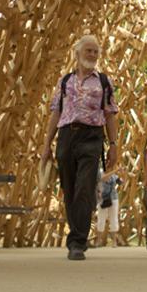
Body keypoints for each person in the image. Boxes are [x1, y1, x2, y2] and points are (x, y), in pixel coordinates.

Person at [41, 35, 119, 261]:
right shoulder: (65, 81)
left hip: (92, 137)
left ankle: (77, 241)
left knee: (85, 187)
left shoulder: (103, 82)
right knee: (69, 188)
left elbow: (110, 114)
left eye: (96, 51)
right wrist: (47, 144)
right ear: (77, 53)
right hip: (66, 136)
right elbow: (56, 112)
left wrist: (113, 144)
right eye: (89, 51)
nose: (93, 55)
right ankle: (76, 234)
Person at [94, 166, 122, 248]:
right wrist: (115, 170)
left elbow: (121, 182)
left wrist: (124, 174)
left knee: (114, 219)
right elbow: (103, 178)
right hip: (102, 199)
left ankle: (114, 241)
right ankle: (99, 240)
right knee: (101, 219)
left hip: (113, 198)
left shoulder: (114, 175)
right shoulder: (100, 172)